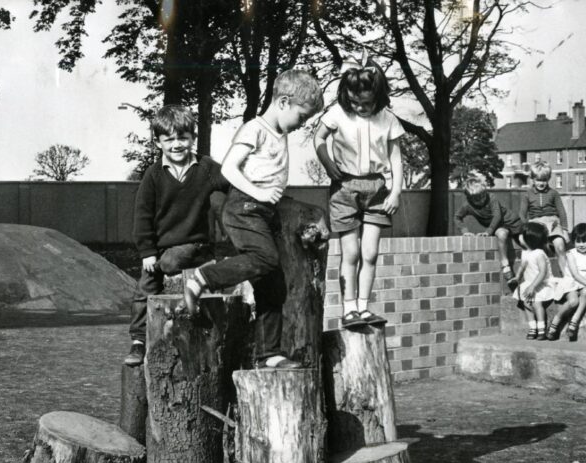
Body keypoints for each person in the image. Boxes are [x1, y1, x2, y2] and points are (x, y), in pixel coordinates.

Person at [182, 69, 324, 369]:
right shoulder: (254, 130)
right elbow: (229, 171)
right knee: (265, 258)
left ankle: (268, 353)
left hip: (263, 213)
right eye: (302, 116)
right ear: (283, 102)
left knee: (273, 286)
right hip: (243, 208)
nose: (303, 124)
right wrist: (258, 193)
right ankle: (204, 278)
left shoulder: (279, 133)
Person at [125, 105, 230, 367]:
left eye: (182, 138)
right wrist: (147, 251)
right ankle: (138, 341)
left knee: (172, 262)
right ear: (158, 142)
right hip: (159, 249)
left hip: (194, 244)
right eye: (169, 139)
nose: (177, 145)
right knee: (144, 289)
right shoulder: (154, 175)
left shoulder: (206, 168)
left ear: (193, 138)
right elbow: (142, 216)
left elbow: (232, 182)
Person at [313, 51, 404, 328]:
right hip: (344, 188)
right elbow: (318, 137)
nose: (361, 108)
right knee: (349, 253)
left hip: (377, 188)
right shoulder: (338, 114)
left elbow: (396, 157)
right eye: (355, 102)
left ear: (377, 97)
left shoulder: (387, 118)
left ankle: (364, 307)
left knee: (370, 253)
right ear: (346, 96)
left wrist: (396, 192)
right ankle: (349, 308)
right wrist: (327, 162)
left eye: (367, 103)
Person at [454, 171, 524, 291]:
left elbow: (497, 215)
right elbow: (457, 217)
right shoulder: (467, 205)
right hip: (500, 227)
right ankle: (505, 265)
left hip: (512, 222)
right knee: (501, 234)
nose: (481, 200)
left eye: (482, 195)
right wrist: (464, 231)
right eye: (476, 198)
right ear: (469, 197)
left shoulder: (491, 198)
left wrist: (488, 231)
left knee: (524, 242)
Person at [519, 161, 570, 275]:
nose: (541, 183)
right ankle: (540, 275)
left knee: (560, 246)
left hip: (552, 222)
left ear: (548, 179)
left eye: (544, 180)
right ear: (532, 179)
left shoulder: (554, 193)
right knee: (537, 250)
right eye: (538, 180)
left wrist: (565, 230)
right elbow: (522, 214)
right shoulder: (527, 194)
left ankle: (566, 275)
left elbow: (562, 212)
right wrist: (525, 229)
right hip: (535, 223)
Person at [510, 222, 557, 340]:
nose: (519, 236)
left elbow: (542, 272)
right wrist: (517, 277)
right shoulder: (525, 252)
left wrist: (533, 286)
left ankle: (542, 328)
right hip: (530, 283)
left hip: (542, 283)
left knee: (536, 303)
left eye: (522, 235)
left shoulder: (539, 253)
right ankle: (532, 327)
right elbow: (522, 266)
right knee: (526, 303)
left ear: (529, 239)